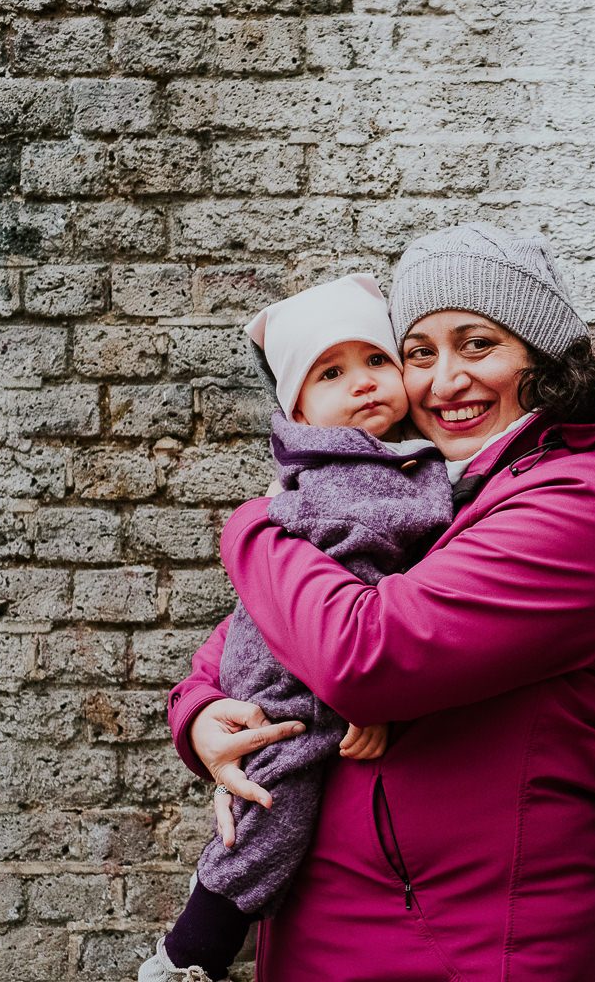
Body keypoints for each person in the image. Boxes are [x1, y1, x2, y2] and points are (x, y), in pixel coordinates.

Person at [165, 224, 595, 982]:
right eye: (419, 354)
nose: (443, 382)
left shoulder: (575, 504)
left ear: (544, 357)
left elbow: (365, 657)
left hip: (477, 939)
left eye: (477, 345)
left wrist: (254, 525)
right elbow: (255, 634)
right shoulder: (436, 490)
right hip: (339, 924)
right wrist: (200, 715)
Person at [142, 273, 453, 981]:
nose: (366, 383)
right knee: (274, 795)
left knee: (268, 794)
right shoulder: (354, 475)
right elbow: (361, 596)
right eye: (332, 372)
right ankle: (189, 954)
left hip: (303, 647)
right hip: (290, 668)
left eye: (378, 360)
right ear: (300, 409)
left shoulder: (383, 463)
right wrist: (363, 700)